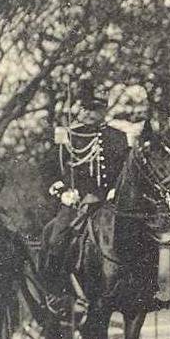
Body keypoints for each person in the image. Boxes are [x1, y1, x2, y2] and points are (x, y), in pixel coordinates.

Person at [42, 82, 131, 313]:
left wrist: (116, 189)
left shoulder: (117, 137)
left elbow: (126, 169)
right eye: (88, 108)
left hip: (109, 201)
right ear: (79, 108)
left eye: (98, 108)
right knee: (55, 238)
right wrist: (63, 192)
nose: (92, 113)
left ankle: (136, 288)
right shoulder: (68, 137)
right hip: (77, 202)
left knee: (135, 235)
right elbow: (50, 171)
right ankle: (57, 291)